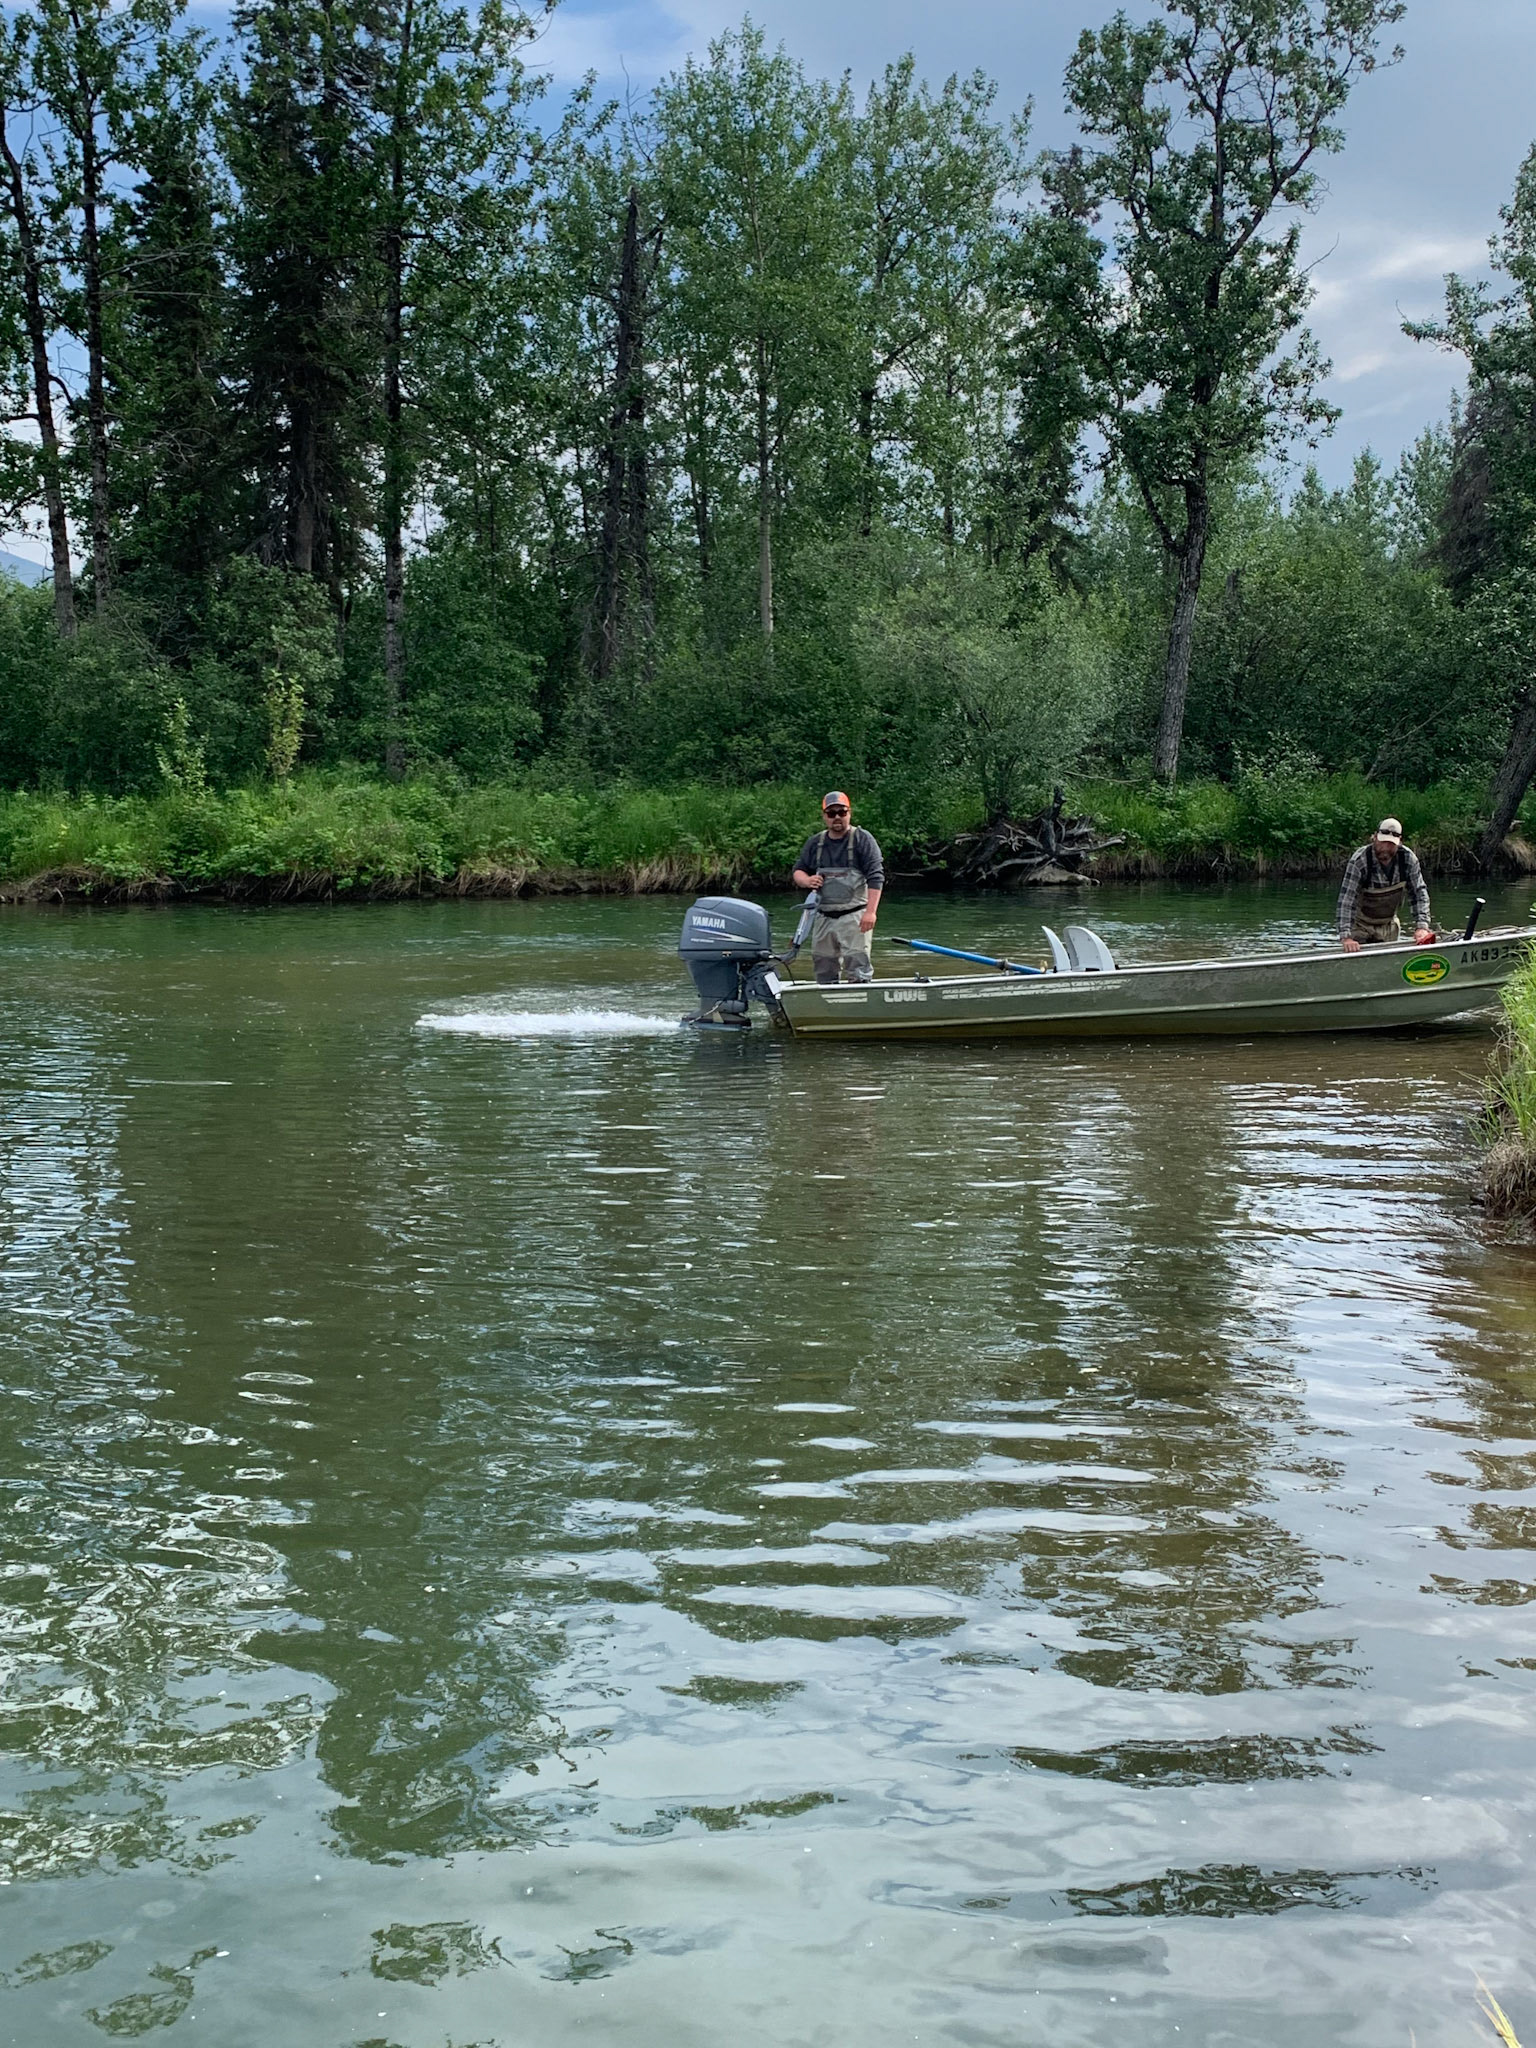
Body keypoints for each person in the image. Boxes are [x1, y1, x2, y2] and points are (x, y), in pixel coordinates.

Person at [792, 791, 884, 985]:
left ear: (849, 813)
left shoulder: (863, 839)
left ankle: (859, 1001)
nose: (837, 817)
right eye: (831, 813)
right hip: (823, 916)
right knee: (823, 966)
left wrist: (871, 913)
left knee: (858, 966)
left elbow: (876, 876)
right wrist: (807, 881)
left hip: (855, 916)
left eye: (841, 812)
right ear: (824, 816)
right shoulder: (815, 843)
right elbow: (798, 870)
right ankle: (827, 1003)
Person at [1337, 817, 1434, 952]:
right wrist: (1346, 937)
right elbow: (1347, 900)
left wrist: (1422, 927)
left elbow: (1419, 895)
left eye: (1391, 844)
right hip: (1360, 925)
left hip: (1389, 925)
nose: (1385, 848)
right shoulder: (1359, 860)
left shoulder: (1408, 860)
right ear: (1375, 837)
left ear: (1399, 842)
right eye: (1382, 842)